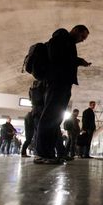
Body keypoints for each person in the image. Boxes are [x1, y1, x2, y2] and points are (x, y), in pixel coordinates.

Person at [34, 25, 91, 164]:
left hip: (63, 84)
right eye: (82, 36)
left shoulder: (68, 43)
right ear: (76, 30)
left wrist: (78, 61)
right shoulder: (59, 39)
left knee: (55, 119)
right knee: (49, 117)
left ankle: (50, 153)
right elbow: (57, 58)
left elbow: (64, 59)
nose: (82, 40)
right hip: (56, 82)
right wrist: (77, 60)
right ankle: (41, 154)